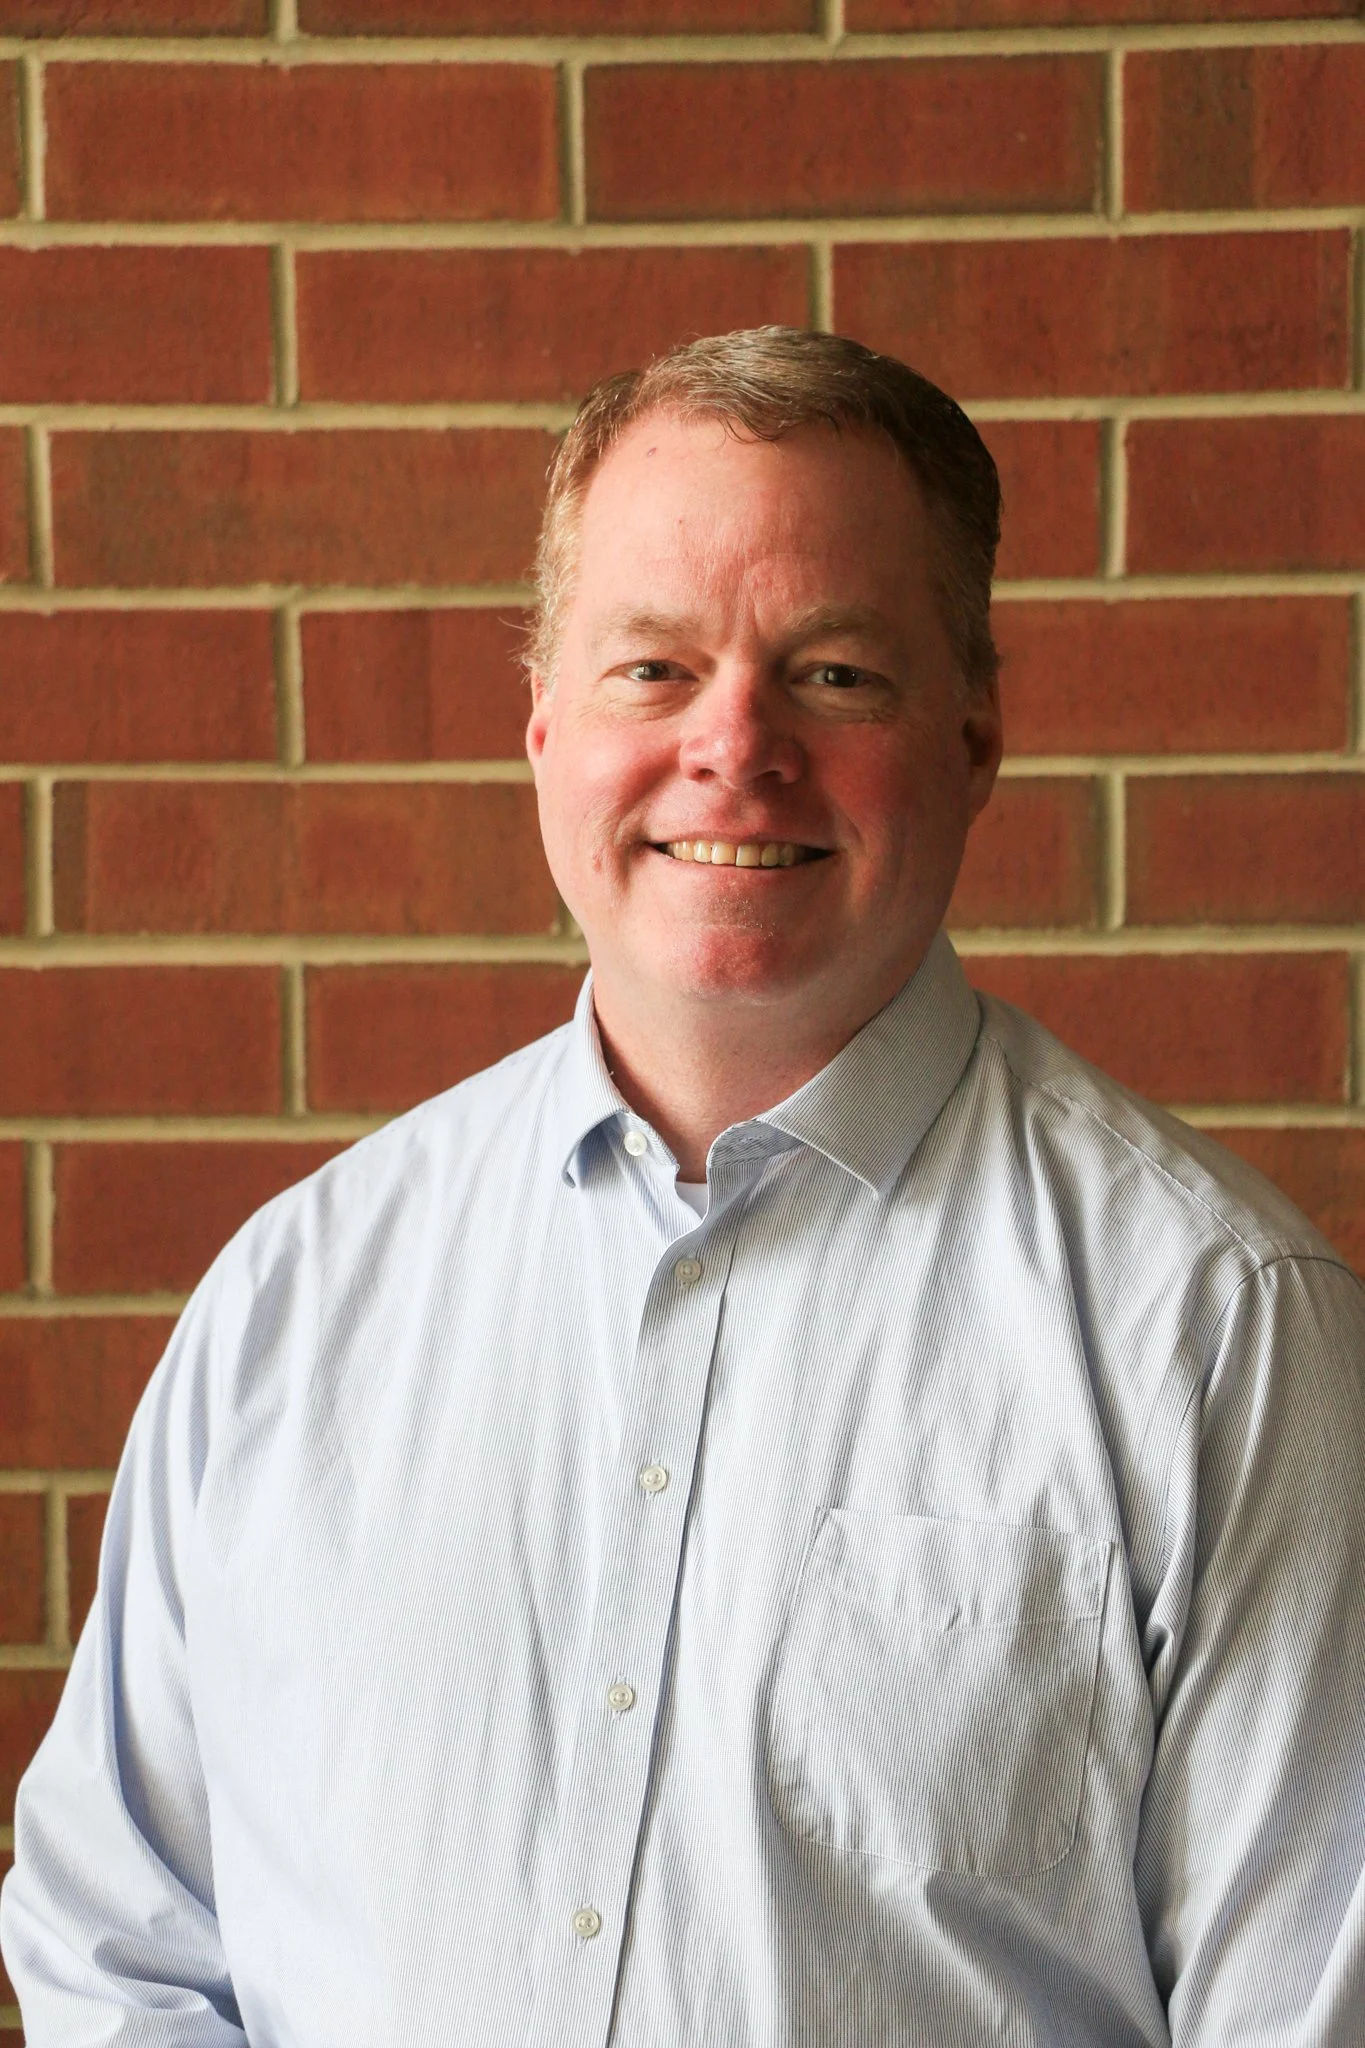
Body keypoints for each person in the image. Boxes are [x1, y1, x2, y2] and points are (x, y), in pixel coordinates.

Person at [3, 327, 1364, 2046]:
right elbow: (120, 1939)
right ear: (548, 724)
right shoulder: (295, 1299)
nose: (737, 746)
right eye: (656, 668)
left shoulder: (1221, 1334)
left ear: (977, 731)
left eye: (837, 673)